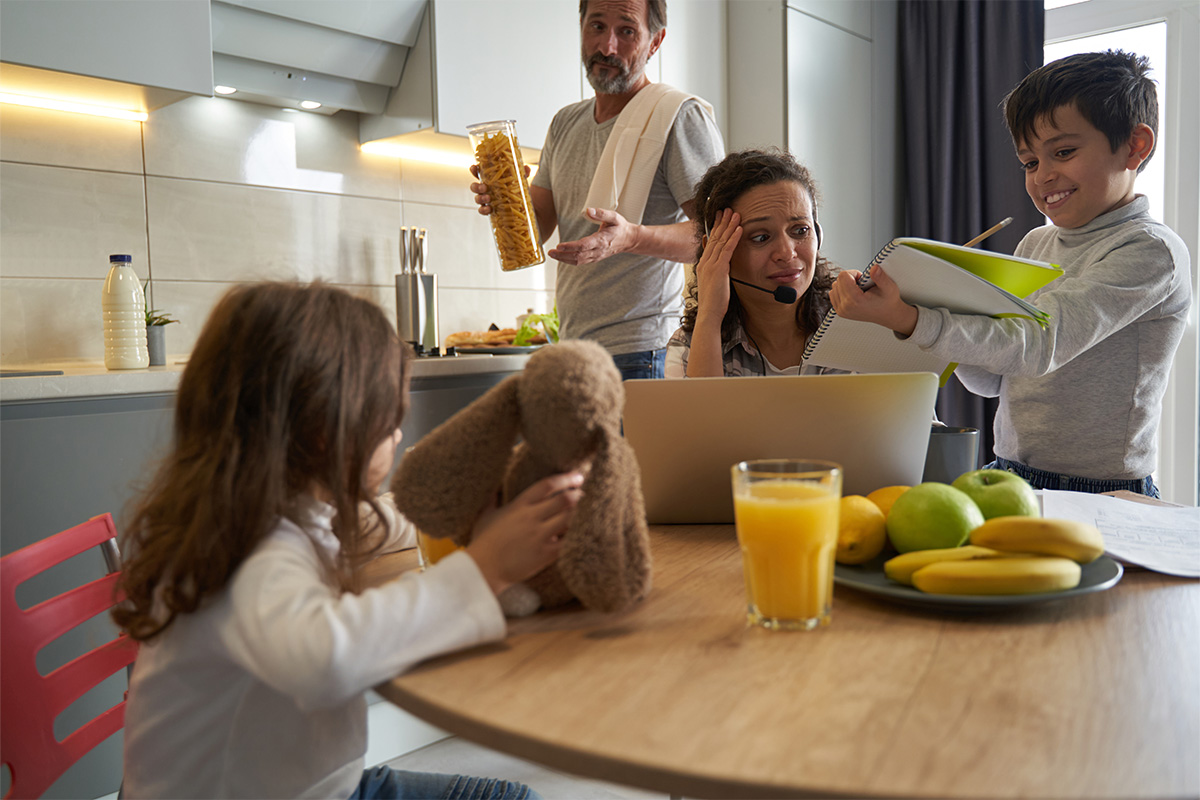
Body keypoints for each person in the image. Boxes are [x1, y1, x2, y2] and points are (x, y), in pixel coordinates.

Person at [113, 282, 583, 799]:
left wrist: (460, 514)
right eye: (391, 422)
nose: (400, 437)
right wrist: (486, 566)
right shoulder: (253, 556)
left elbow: (374, 518)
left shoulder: (254, 515)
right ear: (324, 430)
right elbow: (326, 659)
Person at [829, 50, 1192, 497]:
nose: (1043, 177)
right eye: (1030, 162)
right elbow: (991, 380)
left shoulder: (1149, 251)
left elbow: (1038, 345)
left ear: (1135, 145)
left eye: (1063, 152)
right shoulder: (1036, 244)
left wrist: (912, 320)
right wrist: (936, 300)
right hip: (1008, 472)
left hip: (1102, 491)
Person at [470, 0, 724, 380]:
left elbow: (717, 236)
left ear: (655, 41)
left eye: (626, 31)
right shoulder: (564, 123)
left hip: (642, 351)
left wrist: (630, 238)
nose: (607, 47)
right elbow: (536, 230)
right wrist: (507, 200)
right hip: (571, 348)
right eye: (596, 27)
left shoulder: (678, 116)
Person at [664, 149, 839, 377]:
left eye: (800, 230)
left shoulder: (851, 321)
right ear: (716, 251)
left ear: (817, 234)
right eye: (761, 237)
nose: (787, 253)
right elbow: (703, 413)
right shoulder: (688, 346)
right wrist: (710, 317)